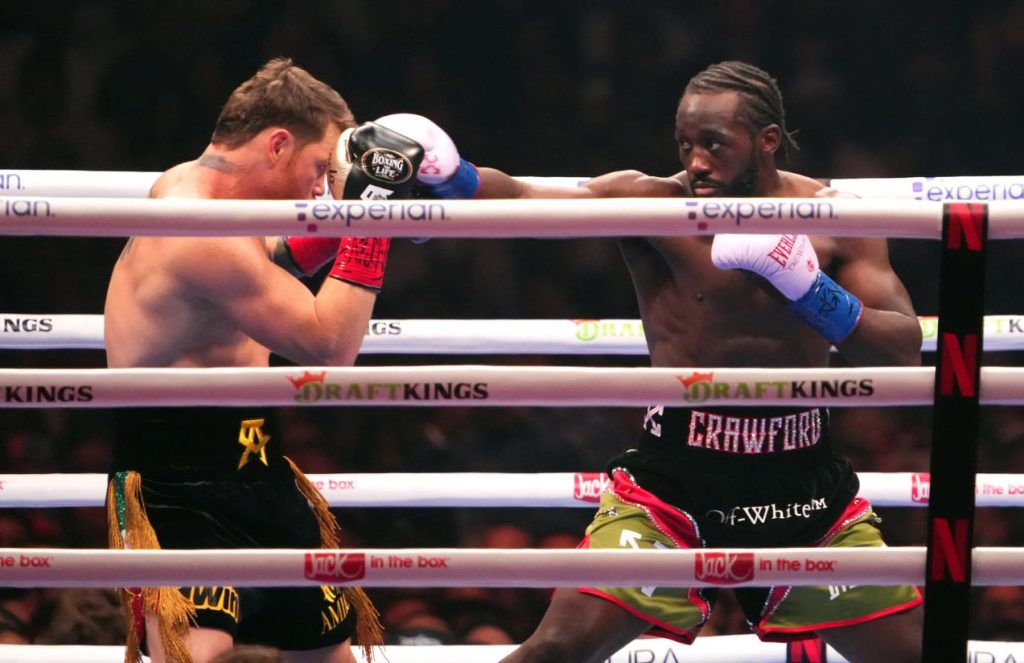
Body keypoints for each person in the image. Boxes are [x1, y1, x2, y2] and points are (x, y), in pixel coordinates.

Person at [476, 61, 924, 663]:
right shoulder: (651, 204)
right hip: (674, 483)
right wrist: (447, 179)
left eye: (715, 144)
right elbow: (527, 197)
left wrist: (810, 291)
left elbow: (902, 347)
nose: (696, 162)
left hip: (802, 488)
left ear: (766, 140)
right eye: (686, 143)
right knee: (556, 648)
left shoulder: (832, 216)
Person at [103, 58, 477, 663]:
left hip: (261, 469)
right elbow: (328, 346)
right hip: (179, 488)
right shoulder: (194, 227)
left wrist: (374, 210)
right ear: (278, 143)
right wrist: (370, 219)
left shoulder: (205, 193)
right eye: (319, 168)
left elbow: (268, 265)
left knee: (327, 653)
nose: (322, 189)